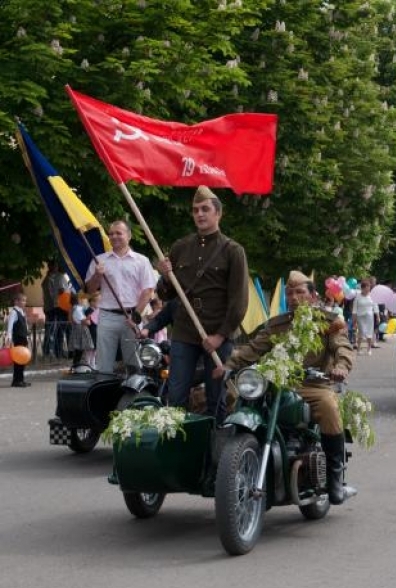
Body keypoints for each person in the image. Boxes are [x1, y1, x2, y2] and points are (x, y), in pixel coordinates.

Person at [215, 270, 354, 504]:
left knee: (329, 406)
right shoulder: (277, 325)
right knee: (236, 394)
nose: (294, 297)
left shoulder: (329, 323)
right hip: (278, 382)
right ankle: (235, 459)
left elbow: (343, 348)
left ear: (313, 296)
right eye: (290, 293)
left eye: (300, 292)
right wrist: (228, 365)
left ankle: (334, 478)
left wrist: (341, 367)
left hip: (313, 383)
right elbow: (253, 348)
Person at [156, 186, 249, 421]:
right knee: (175, 395)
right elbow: (167, 295)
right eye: (196, 210)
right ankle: (178, 448)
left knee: (216, 398)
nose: (199, 214)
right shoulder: (181, 247)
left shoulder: (233, 251)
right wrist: (165, 276)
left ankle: (215, 449)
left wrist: (221, 335)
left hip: (218, 332)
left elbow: (239, 301)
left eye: (205, 209)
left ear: (218, 214)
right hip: (185, 331)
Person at [85, 220, 155, 374]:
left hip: (132, 317)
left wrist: (136, 314)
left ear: (129, 236)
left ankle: (136, 395)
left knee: (135, 363)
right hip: (107, 316)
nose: (114, 236)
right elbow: (90, 290)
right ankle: (105, 394)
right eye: (111, 233)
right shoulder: (99, 260)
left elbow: (148, 290)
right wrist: (97, 275)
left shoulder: (141, 261)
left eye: (119, 233)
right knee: (104, 365)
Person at [6, 292, 30, 387]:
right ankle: (16, 381)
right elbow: (10, 325)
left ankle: (21, 379)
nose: (24, 302)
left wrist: (27, 335)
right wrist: (9, 337)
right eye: (22, 300)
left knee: (23, 359)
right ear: (16, 301)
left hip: (23, 338)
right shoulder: (14, 312)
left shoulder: (21, 312)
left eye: (25, 300)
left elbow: (25, 325)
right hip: (18, 339)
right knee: (18, 360)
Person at [68, 291, 94, 367]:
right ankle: (76, 366)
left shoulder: (74, 308)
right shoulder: (78, 309)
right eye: (85, 299)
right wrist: (88, 319)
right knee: (80, 349)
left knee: (79, 349)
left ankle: (76, 365)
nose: (86, 301)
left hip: (77, 329)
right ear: (80, 300)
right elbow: (86, 322)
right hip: (81, 330)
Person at [352, 279, 377, 355]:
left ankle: (369, 349)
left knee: (369, 333)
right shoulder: (358, 297)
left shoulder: (372, 296)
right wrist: (354, 321)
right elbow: (354, 310)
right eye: (366, 288)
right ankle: (359, 349)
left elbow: (375, 306)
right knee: (361, 333)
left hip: (369, 317)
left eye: (369, 288)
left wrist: (378, 315)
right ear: (362, 288)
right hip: (360, 317)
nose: (368, 290)